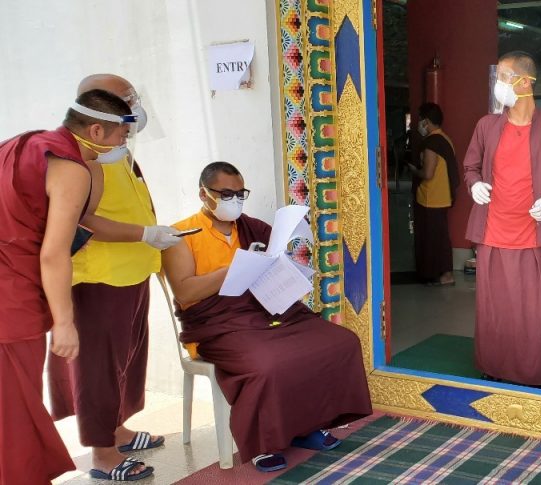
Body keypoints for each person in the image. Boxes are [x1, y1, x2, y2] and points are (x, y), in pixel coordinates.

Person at [162, 162, 372, 473]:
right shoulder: (182, 235)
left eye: (240, 194)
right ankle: (264, 445)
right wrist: (235, 268)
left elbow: (272, 262)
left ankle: (307, 426)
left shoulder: (250, 227)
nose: (235, 201)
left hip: (264, 311)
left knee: (340, 342)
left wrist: (280, 266)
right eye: (226, 194)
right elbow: (185, 292)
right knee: (267, 364)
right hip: (218, 326)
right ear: (204, 194)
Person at [1, 90, 148, 482]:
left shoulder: (22, 143)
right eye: (122, 136)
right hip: (11, 296)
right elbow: (54, 253)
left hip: (11, 278)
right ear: (96, 131)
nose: (123, 145)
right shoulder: (70, 169)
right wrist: (64, 323)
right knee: (15, 413)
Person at [46, 74, 184, 480]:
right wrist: (145, 233)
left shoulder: (115, 148)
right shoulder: (83, 161)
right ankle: (103, 455)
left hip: (133, 271)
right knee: (99, 370)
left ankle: (118, 430)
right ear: (99, 112)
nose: (135, 106)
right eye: (127, 99)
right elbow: (83, 220)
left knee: (126, 362)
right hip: (100, 278)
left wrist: (151, 237)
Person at [464, 51, 541, 387]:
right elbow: (470, 166)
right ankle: (493, 366)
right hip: (492, 231)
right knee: (494, 308)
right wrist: (474, 184)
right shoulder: (487, 126)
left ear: (525, 82)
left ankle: (532, 372)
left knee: (532, 311)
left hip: (531, 233)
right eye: (497, 77)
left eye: (504, 77)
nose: (498, 84)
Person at [407, 102, 458, 286]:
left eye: (421, 120)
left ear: (426, 122)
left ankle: (442, 275)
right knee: (439, 237)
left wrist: (414, 170)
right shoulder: (445, 139)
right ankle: (442, 273)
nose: (419, 124)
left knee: (432, 239)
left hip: (431, 198)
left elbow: (428, 174)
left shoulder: (431, 144)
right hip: (442, 196)